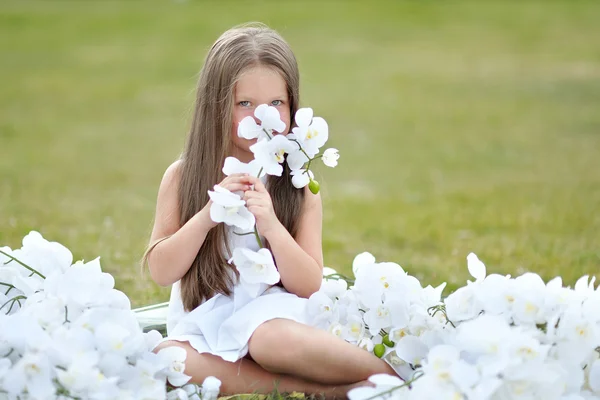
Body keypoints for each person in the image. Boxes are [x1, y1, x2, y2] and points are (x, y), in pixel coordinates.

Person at [144, 23, 396, 398]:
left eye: (276, 104)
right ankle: (328, 389)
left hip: (278, 317)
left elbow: (310, 284)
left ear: (292, 105)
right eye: (244, 103)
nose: (261, 117)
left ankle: (400, 374)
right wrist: (207, 216)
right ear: (215, 106)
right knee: (168, 359)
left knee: (268, 340)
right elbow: (161, 271)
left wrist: (272, 226)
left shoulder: (297, 185)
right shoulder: (184, 177)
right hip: (205, 323)